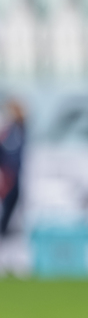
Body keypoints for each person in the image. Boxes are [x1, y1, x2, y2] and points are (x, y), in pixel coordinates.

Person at [0, 99, 26, 238]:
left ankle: (4, 230)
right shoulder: (10, 131)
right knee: (9, 202)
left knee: (13, 202)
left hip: (15, 174)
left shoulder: (19, 129)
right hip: (9, 174)